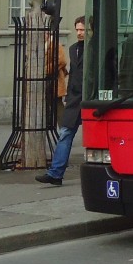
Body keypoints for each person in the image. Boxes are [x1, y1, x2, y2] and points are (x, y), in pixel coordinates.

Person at [37, 17, 85, 186]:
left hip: (91, 98)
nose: (79, 33)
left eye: (83, 30)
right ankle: (55, 173)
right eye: (77, 29)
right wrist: (70, 95)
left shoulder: (96, 48)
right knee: (65, 133)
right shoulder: (73, 49)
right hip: (75, 99)